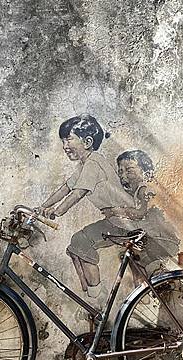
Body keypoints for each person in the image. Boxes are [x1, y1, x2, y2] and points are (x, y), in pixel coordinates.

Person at [36, 114, 135, 300]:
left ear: (88, 141)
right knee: (76, 246)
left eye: (69, 139)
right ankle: (91, 296)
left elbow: (77, 193)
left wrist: (57, 212)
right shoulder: (84, 165)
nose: (65, 146)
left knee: (81, 242)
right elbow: (66, 188)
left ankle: (99, 298)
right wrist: (42, 206)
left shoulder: (94, 163)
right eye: (63, 141)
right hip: (115, 219)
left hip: (123, 221)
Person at [103, 149, 180, 283]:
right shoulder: (138, 191)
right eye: (120, 171)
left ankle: (157, 276)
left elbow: (140, 213)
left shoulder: (144, 189)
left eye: (129, 171)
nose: (123, 176)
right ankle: (143, 288)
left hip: (162, 240)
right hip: (155, 239)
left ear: (146, 173)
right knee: (129, 252)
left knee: (136, 250)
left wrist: (115, 211)